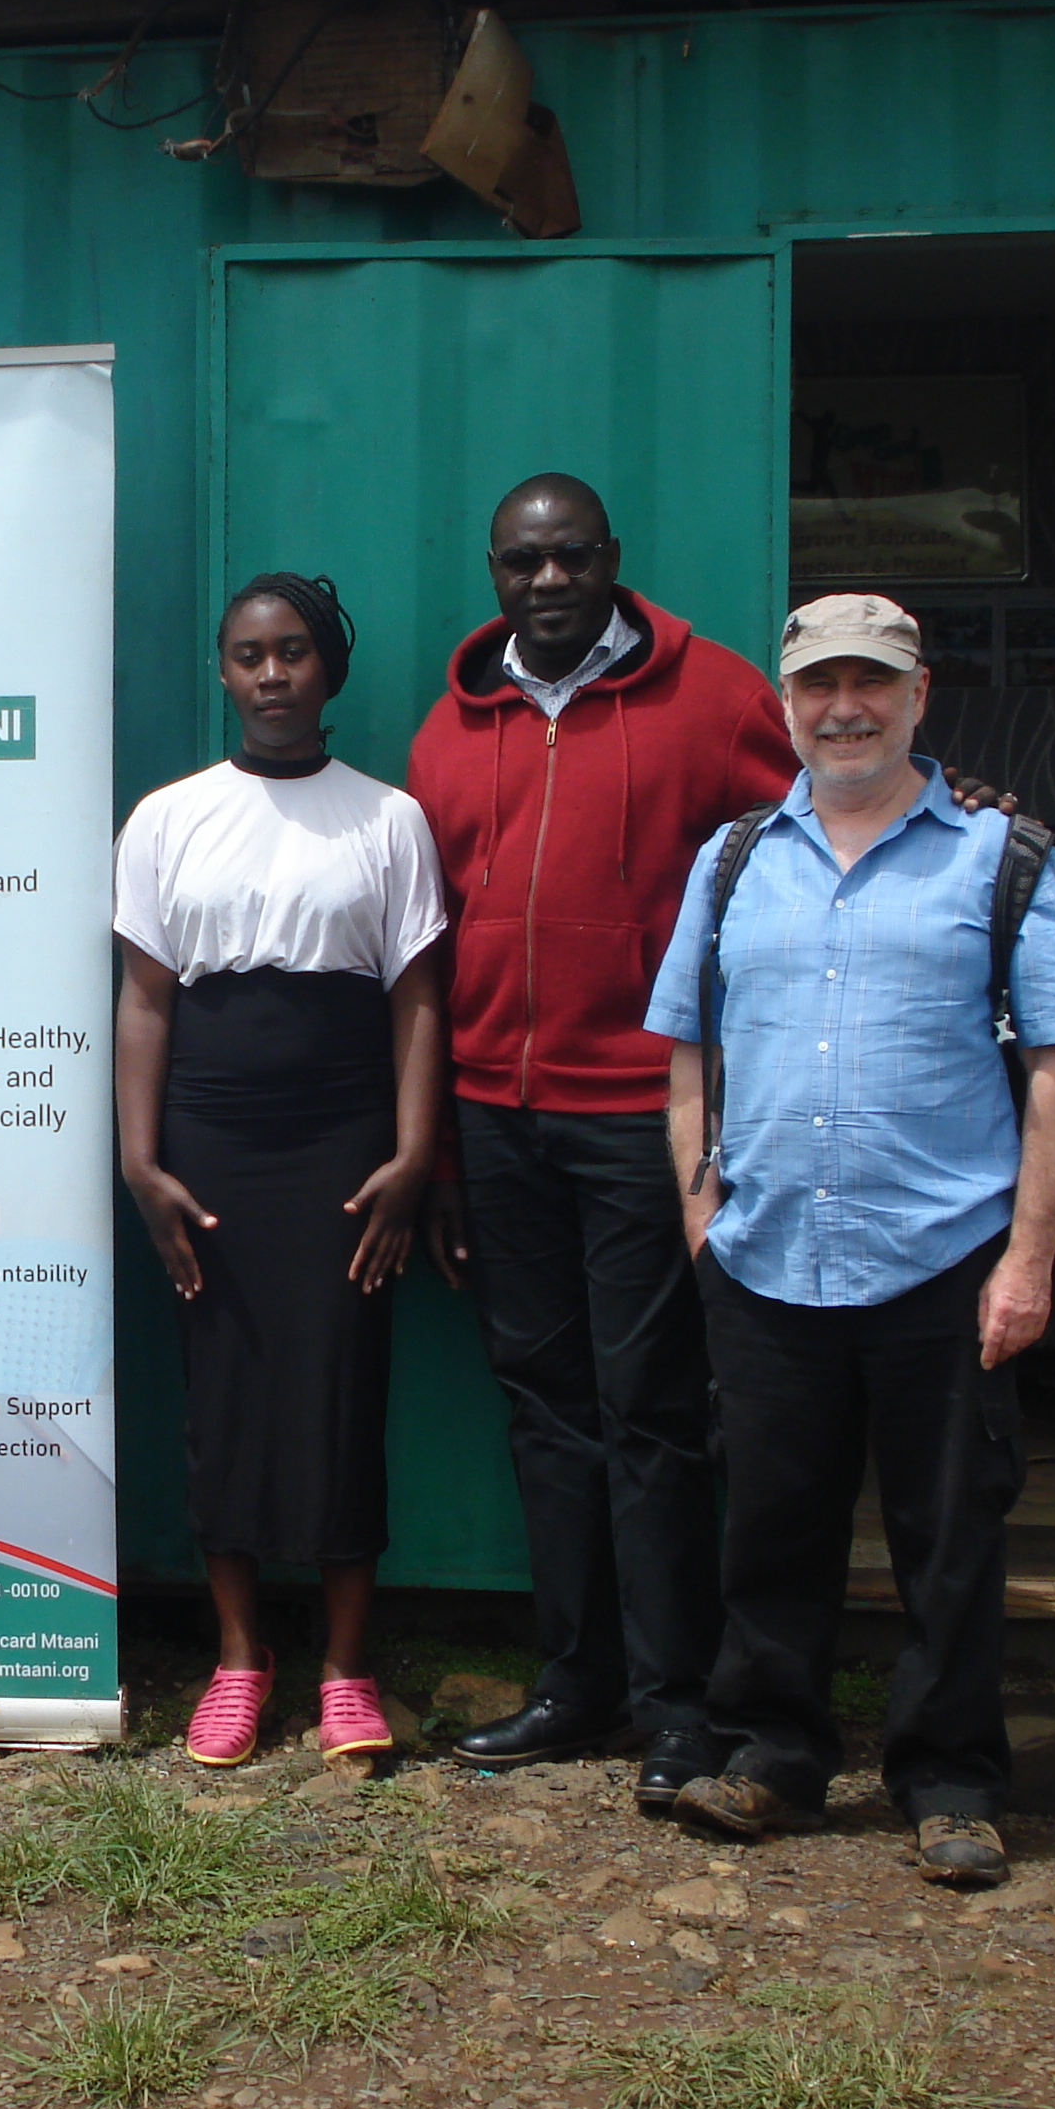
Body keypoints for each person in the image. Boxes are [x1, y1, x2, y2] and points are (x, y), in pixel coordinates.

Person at [644, 594, 1055, 1889]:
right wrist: (701, 1207)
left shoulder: (1002, 858)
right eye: (819, 684)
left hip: (943, 1261)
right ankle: (771, 1757)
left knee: (950, 1539)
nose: (844, 706)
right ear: (787, 705)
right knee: (774, 1530)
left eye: (873, 681)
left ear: (920, 696)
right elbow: (690, 1048)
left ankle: (950, 1781)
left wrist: (1029, 1259)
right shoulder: (736, 860)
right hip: (771, 1254)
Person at [403, 474, 794, 1810]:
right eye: (523, 563)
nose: (549, 582)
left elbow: (824, 818)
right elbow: (436, 941)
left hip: (639, 1116)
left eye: (572, 558)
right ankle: (576, 1685)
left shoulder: (717, 697)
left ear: (612, 561)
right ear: (495, 574)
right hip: (496, 1123)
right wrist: (445, 1156)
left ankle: (679, 1704)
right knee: (544, 1409)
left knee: (656, 1416)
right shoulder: (451, 732)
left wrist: (948, 791)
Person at [114, 574, 449, 1768]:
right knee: (228, 1392)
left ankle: (349, 1671)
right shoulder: (167, 818)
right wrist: (139, 1158)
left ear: (329, 670)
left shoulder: (388, 819)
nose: (271, 675)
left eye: (294, 653)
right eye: (249, 655)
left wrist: (414, 1153)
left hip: (344, 1138)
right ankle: (240, 1660)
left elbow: (416, 998)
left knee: (344, 1389)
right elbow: (146, 1001)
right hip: (211, 1139)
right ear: (222, 672)